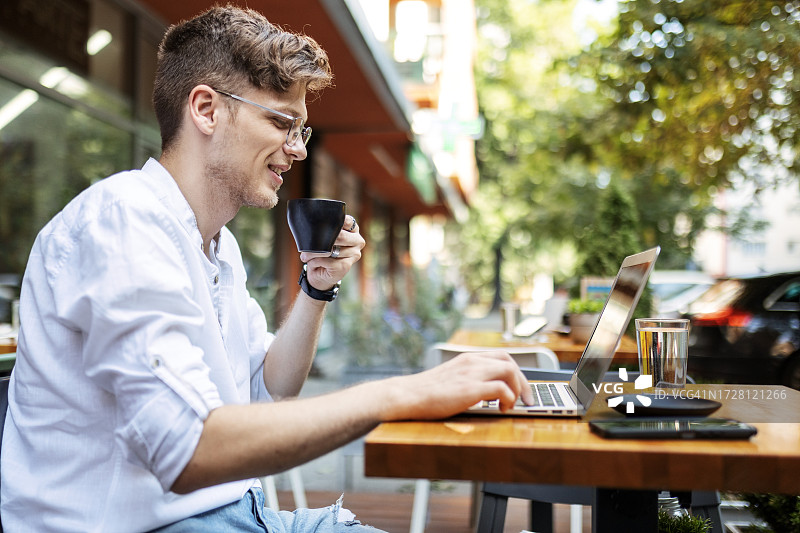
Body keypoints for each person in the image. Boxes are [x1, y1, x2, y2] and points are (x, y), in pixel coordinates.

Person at [0, 5, 533, 532]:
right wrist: (404, 392)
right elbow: (187, 450)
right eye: (282, 123)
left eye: (301, 129)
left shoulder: (218, 246)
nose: (297, 149)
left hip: (236, 514)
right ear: (206, 110)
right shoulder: (121, 224)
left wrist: (316, 288)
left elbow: (272, 385)